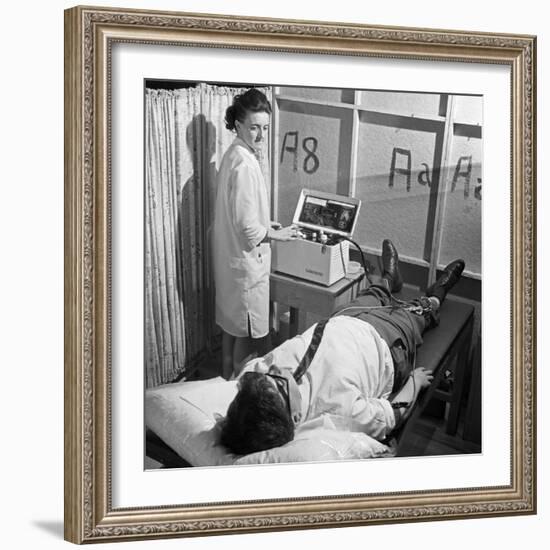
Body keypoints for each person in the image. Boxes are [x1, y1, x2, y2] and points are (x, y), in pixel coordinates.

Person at [220, 239, 465, 455]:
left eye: (264, 376)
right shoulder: (338, 413)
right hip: (386, 344)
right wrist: (415, 382)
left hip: (344, 319)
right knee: (416, 313)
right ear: (295, 417)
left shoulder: (262, 379)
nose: (274, 368)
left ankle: (389, 280)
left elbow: (244, 376)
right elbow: (390, 416)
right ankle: (437, 294)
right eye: (278, 381)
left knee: (371, 294)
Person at [213, 88, 299, 380]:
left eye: (265, 128)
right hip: (245, 269)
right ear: (238, 124)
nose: (261, 136)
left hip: (230, 264)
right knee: (248, 342)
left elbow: (240, 214)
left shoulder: (233, 154)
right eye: (254, 128)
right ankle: (237, 396)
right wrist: (279, 235)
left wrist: (267, 224)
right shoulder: (245, 165)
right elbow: (248, 229)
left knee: (230, 330)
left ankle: (223, 385)